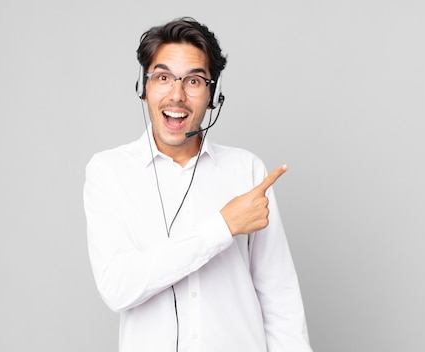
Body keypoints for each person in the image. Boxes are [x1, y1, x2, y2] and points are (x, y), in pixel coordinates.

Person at [84, 17, 313, 352]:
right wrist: (223, 226)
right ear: (143, 88)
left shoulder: (246, 170)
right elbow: (118, 287)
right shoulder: (109, 171)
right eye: (163, 77)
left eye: (193, 81)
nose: (177, 95)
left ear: (212, 95)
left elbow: (280, 298)